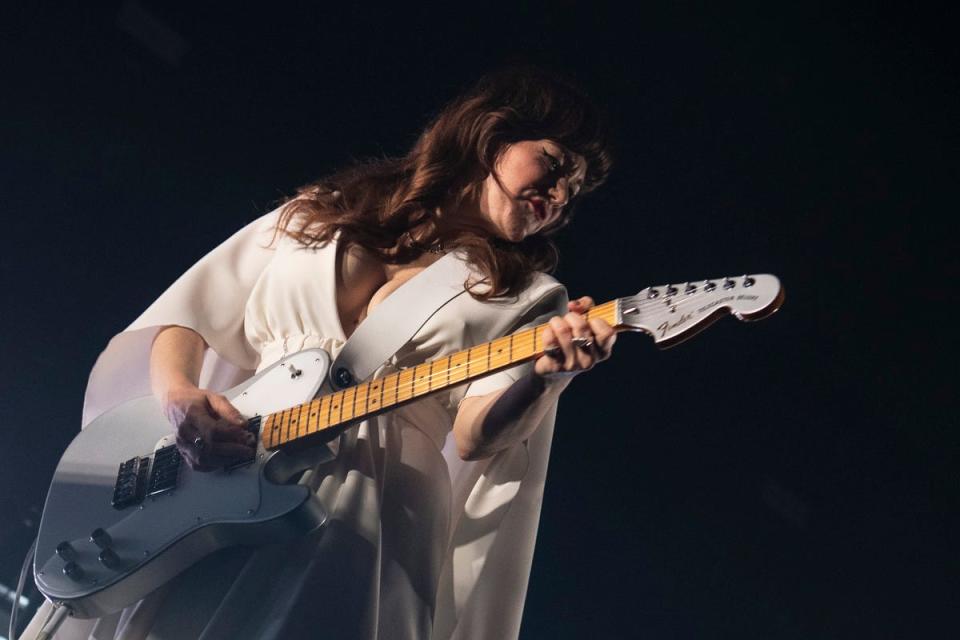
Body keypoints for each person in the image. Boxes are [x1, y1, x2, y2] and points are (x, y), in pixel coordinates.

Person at [23, 67, 615, 640]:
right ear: (492, 131)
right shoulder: (329, 208)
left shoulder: (530, 295)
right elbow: (194, 311)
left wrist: (543, 381)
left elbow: (474, 436)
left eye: (576, 190)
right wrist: (179, 398)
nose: (561, 195)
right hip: (215, 472)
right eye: (556, 164)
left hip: (368, 503)